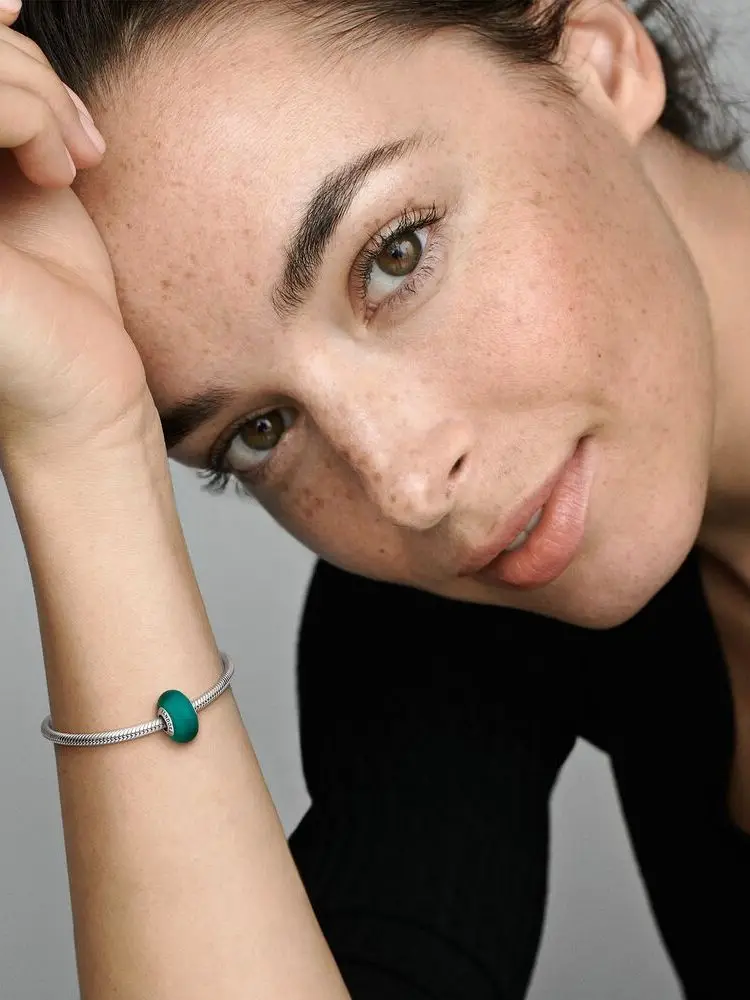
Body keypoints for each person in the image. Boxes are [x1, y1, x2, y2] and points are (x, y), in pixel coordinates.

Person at [2, 0, 749, 996]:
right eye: (261, 431)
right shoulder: (456, 600)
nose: (406, 488)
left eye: (396, 256)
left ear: (598, 61)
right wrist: (77, 447)